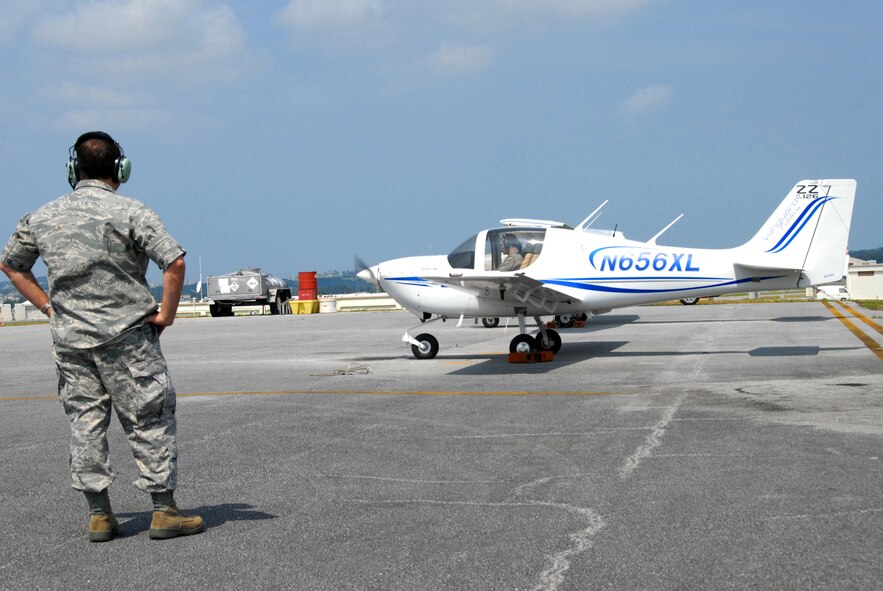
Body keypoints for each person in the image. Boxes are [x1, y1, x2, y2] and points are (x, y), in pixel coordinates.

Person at [0, 131, 203, 542]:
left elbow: (11, 266)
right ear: (120, 169)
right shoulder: (132, 212)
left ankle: (99, 516)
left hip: (71, 340)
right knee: (149, 419)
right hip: (129, 338)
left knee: (86, 422)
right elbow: (175, 262)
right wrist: (166, 314)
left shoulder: (41, 216)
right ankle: (163, 511)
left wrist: (47, 306)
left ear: (73, 170)